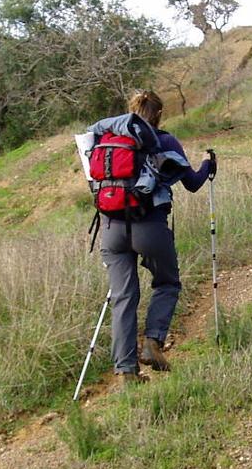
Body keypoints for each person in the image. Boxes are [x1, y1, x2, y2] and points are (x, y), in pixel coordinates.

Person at [87, 90, 215, 386]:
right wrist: (209, 165)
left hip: (111, 229)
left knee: (123, 298)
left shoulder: (105, 140)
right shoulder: (163, 140)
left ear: (129, 111)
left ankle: (126, 372)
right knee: (167, 283)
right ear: (159, 114)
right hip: (149, 225)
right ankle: (153, 343)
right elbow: (193, 184)